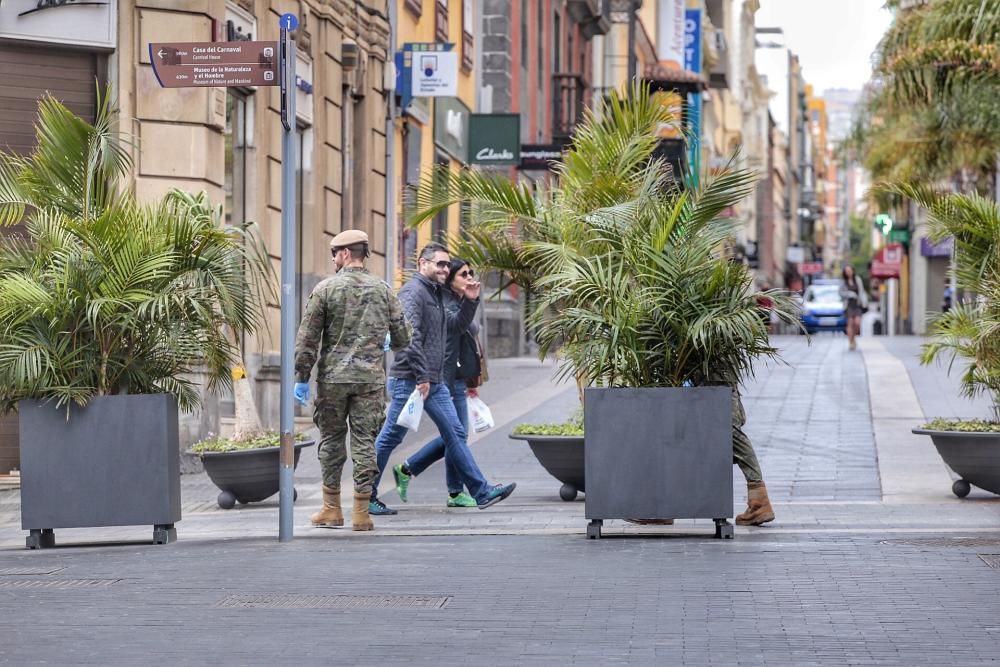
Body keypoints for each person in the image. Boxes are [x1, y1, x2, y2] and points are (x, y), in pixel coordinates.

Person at [369, 243, 515, 515]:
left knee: (456, 432)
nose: (444, 269)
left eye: (447, 265)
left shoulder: (434, 293)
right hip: (410, 380)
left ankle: (481, 492)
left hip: (432, 381)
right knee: (390, 437)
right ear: (422, 263)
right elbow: (408, 337)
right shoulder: (413, 293)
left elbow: (458, 327)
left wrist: (471, 300)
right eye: (440, 264)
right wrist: (422, 376)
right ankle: (365, 494)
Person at [293, 229, 411, 532]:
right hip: (369, 380)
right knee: (364, 442)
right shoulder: (384, 290)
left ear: (346, 254)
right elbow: (403, 337)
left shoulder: (325, 290)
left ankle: (331, 509)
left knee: (331, 441)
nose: (333, 259)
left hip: (333, 380)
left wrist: (302, 376)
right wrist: (384, 339)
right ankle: (361, 512)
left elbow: (307, 340)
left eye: (335, 253)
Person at [391, 258, 485, 508]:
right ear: (452, 278)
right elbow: (459, 328)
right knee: (454, 434)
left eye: (470, 272)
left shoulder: (455, 300)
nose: (468, 277)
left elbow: (467, 329)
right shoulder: (441, 301)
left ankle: (452, 489)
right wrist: (429, 378)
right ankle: (449, 486)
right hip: (441, 377)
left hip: (454, 377)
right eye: (463, 274)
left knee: (456, 434)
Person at [840, 265, 868, 351]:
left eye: (850, 270)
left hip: (857, 305)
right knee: (850, 323)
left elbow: (862, 291)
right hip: (848, 305)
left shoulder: (858, 280)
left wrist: (864, 301)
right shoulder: (843, 282)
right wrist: (849, 294)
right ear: (845, 273)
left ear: (853, 271)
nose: (848, 272)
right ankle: (850, 342)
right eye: (847, 271)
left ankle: (853, 337)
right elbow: (840, 293)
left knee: (857, 323)